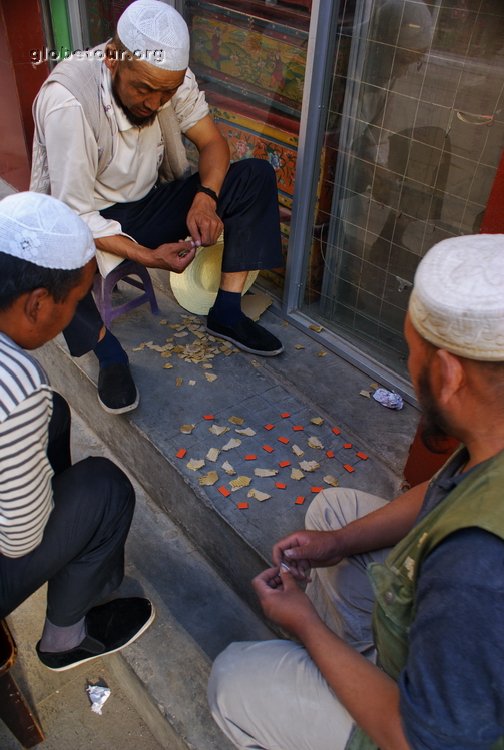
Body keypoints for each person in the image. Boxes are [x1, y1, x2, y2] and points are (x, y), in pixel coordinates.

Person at [208, 233, 504, 749]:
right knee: (332, 514)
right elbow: (440, 493)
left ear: (451, 375)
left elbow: (421, 740)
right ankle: (356, 667)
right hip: (458, 656)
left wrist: (306, 626)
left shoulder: (475, 566)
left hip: (419, 733)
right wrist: (337, 543)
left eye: (412, 355)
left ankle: (344, 683)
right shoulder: (490, 437)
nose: (410, 373)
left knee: (232, 679)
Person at [30, 0, 284, 416]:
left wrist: (207, 198)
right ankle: (108, 353)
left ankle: (227, 312)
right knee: (54, 256)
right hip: (87, 217)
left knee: (254, 175)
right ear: (112, 59)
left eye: (166, 91)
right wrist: (149, 258)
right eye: (144, 89)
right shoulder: (69, 102)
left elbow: (212, 143)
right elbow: (72, 215)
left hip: (149, 200)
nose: (154, 102)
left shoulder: (170, 82)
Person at [0, 191, 154, 671]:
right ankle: (66, 637)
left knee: (57, 415)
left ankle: (73, 555)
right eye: (78, 300)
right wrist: (47, 497)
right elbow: (21, 539)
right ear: (37, 303)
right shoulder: (17, 382)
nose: (82, 315)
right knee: (104, 488)